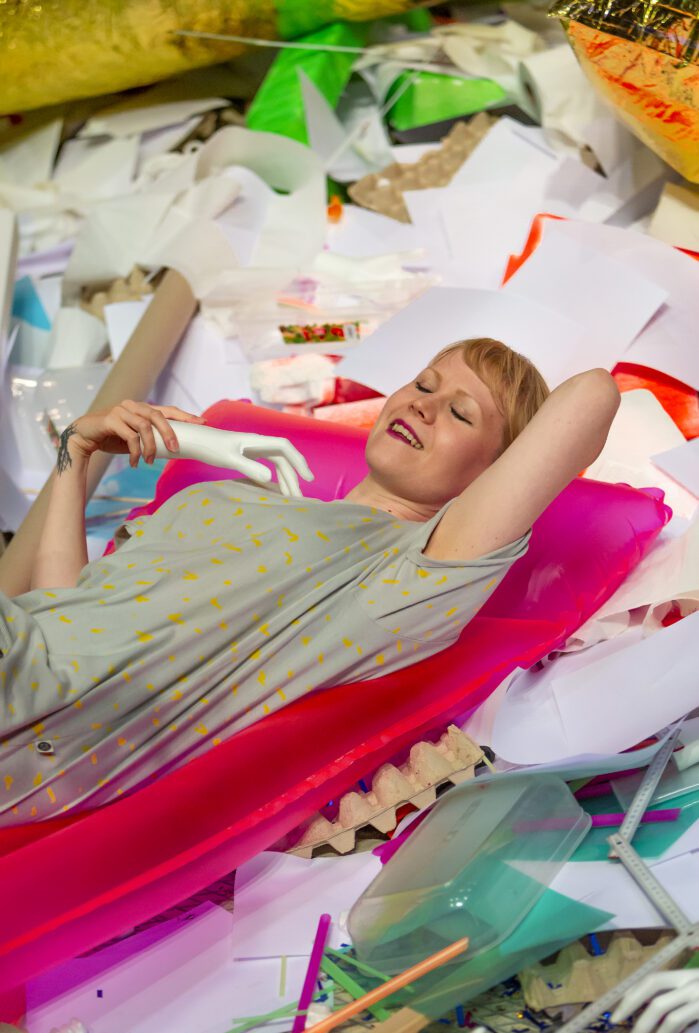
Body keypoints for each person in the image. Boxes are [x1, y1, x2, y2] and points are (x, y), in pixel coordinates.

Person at [0, 339, 620, 824]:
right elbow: (66, 610)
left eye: (459, 412)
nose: (422, 404)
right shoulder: (220, 496)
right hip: (25, 656)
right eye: (424, 384)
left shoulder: (408, 575)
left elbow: (593, 396)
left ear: (495, 473)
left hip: (52, 734)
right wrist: (75, 452)